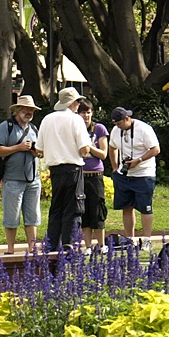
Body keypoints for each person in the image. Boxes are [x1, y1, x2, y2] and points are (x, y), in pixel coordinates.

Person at [36, 88, 91, 251]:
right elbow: (84, 149)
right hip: (73, 168)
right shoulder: (75, 120)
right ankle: (69, 243)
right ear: (72, 103)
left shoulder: (47, 119)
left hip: (55, 170)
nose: (79, 105)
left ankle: (52, 244)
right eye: (78, 102)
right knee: (73, 208)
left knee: (56, 207)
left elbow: (39, 149)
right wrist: (85, 151)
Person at [0, 95, 42, 254]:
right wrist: (19, 147)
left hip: (33, 179)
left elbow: (40, 151)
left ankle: (32, 248)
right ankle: (10, 249)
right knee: (11, 217)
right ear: (17, 110)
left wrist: (36, 152)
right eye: (26, 109)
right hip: (13, 180)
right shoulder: (5, 126)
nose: (29, 112)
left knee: (33, 216)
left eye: (31, 110)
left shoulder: (34, 129)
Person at [108, 107, 160, 252]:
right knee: (126, 207)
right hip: (124, 176)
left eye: (119, 123)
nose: (117, 127)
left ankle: (147, 239)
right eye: (115, 124)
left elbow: (155, 149)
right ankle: (129, 239)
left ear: (126, 119)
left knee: (145, 207)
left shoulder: (144, 129)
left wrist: (139, 160)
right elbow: (112, 147)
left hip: (144, 173)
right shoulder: (115, 130)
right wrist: (114, 167)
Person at [76, 99, 108, 250]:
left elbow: (103, 154)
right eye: (83, 112)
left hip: (95, 175)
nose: (86, 116)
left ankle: (101, 245)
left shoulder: (99, 129)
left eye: (88, 112)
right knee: (84, 212)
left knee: (98, 210)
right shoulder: (75, 129)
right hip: (80, 174)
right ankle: (88, 246)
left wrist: (89, 147)